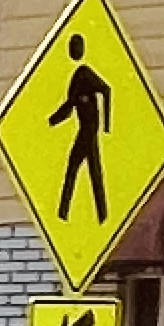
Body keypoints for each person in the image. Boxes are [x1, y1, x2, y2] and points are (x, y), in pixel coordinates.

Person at [46, 30, 113, 223]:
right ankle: (97, 215)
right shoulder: (76, 78)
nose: (72, 51)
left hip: (90, 130)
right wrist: (52, 121)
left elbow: (107, 90)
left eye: (75, 47)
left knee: (81, 168)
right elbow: (70, 105)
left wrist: (108, 125)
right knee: (88, 170)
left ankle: (66, 213)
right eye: (71, 47)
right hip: (85, 129)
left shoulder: (85, 73)